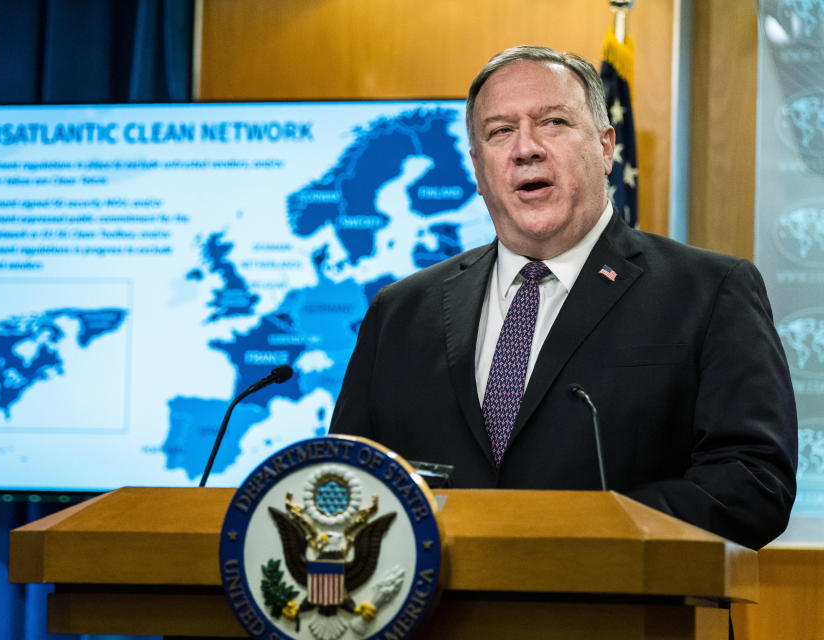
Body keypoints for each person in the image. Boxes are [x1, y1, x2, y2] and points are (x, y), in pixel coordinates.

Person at [329, 45, 798, 550]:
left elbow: (753, 483)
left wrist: (586, 528)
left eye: (552, 122)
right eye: (500, 131)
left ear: (604, 148)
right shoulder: (399, 312)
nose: (525, 148)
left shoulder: (708, 292)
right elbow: (345, 481)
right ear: (477, 169)